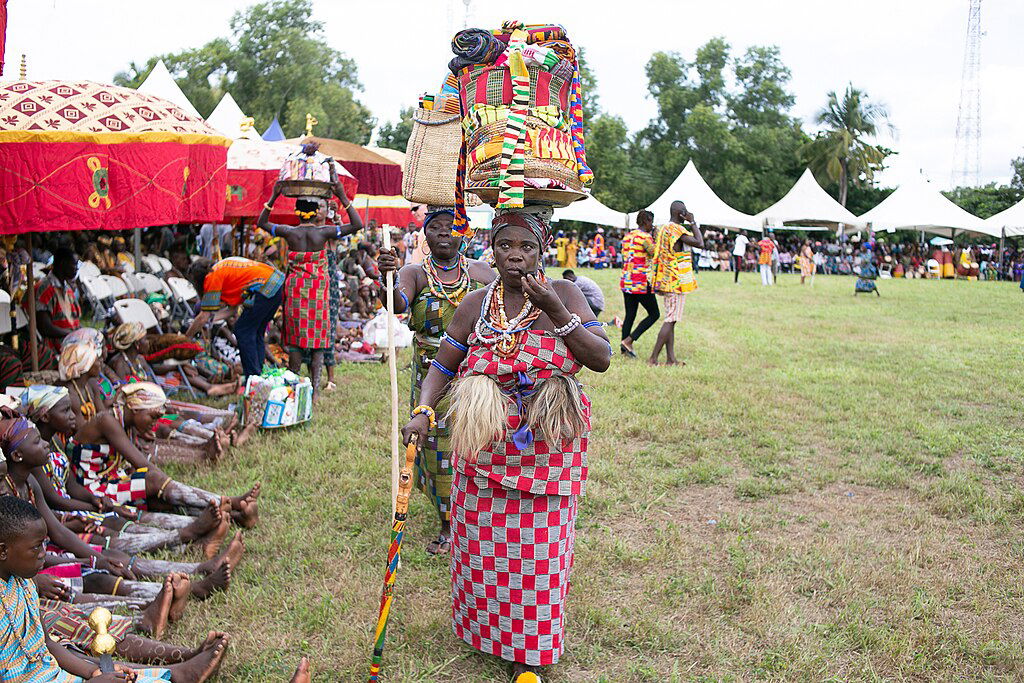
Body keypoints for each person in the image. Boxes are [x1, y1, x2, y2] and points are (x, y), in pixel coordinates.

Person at [401, 207, 610, 681]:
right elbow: (444, 364)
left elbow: (600, 359)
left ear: (542, 251)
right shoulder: (476, 303)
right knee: (483, 550)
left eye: (527, 247)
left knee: (538, 556)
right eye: (505, 246)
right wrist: (424, 408)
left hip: (547, 448)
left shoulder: (566, 293)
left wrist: (556, 310)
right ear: (490, 250)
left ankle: (529, 656)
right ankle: (485, 630)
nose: (515, 256)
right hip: (485, 447)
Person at [0, 495, 230, 682]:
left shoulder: (24, 582)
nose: (44, 553)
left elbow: (47, 644)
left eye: (43, 544)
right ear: (3, 551)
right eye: (35, 548)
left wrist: (95, 673)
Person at [376, 207, 495, 554]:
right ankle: (447, 522)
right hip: (431, 370)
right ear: (425, 235)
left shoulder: (481, 271)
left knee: (477, 437)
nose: (444, 233)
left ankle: (477, 507)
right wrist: (386, 274)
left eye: (451, 227)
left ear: (464, 234)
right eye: (436, 227)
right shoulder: (414, 273)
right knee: (437, 447)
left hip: (475, 372)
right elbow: (396, 303)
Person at [258, 173, 362, 399]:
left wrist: (274, 196)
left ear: (297, 212)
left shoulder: (289, 231)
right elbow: (357, 224)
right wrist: (343, 197)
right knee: (317, 342)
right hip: (317, 294)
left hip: (295, 292)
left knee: (295, 341)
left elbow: (262, 223)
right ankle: (314, 391)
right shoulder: (324, 232)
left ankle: (293, 387)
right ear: (316, 213)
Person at [184, 257, 285, 385]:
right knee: (256, 331)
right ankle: (260, 376)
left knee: (242, 331)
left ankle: (253, 378)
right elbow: (231, 310)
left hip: (267, 287)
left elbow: (204, 315)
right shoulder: (223, 270)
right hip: (276, 283)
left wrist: (186, 337)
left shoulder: (212, 276)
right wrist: (210, 320)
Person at [649, 201, 703, 366]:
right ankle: (653, 358)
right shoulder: (677, 230)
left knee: (671, 318)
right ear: (682, 214)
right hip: (676, 281)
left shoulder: (664, 228)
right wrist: (693, 222)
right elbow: (700, 242)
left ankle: (671, 359)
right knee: (671, 319)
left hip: (665, 279)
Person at [618, 210, 660, 358]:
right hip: (641, 282)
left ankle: (624, 350)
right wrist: (656, 237)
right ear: (647, 220)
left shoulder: (628, 236)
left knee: (630, 314)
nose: (652, 225)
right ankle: (629, 340)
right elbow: (656, 254)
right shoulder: (645, 238)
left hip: (626, 281)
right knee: (655, 314)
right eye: (651, 222)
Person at [31, 247, 81, 355]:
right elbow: (44, 327)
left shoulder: (67, 288)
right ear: (63, 264)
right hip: (56, 347)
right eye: (74, 264)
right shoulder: (44, 288)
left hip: (72, 342)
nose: (76, 268)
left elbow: (76, 320)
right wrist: (71, 334)